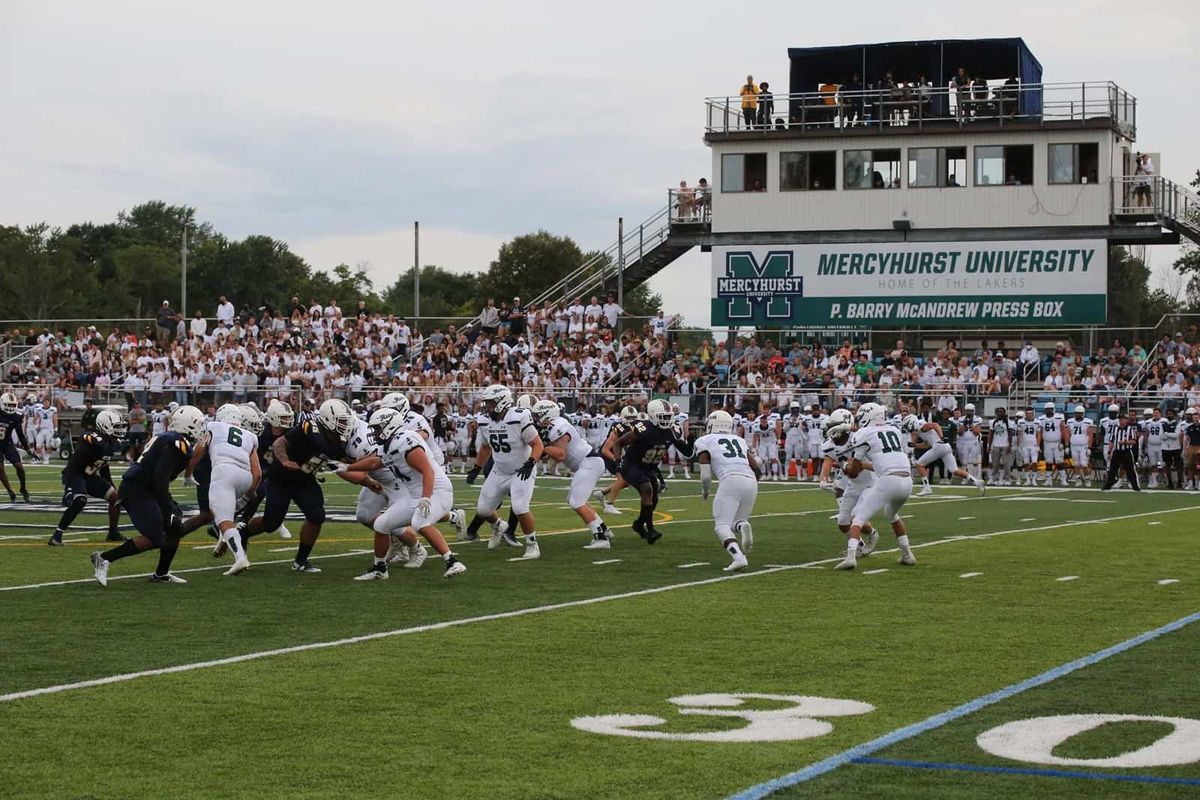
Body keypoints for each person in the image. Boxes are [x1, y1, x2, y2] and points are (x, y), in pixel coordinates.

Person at [340, 408, 466, 580]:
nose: (374, 433)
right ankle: (380, 569)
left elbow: (427, 471)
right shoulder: (388, 444)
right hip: (415, 495)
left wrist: (426, 497)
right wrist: (346, 467)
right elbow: (374, 462)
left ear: (388, 427)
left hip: (437, 491)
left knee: (419, 522)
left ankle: (452, 562)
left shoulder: (406, 441)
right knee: (381, 524)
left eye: (377, 429)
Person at [89, 405, 206, 587]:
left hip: (146, 487)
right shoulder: (177, 443)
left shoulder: (169, 438)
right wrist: (167, 505)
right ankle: (104, 558)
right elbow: (160, 478)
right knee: (156, 537)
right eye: (199, 423)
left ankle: (161, 573)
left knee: (174, 528)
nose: (201, 427)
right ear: (188, 425)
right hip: (137, 489)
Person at [239, 398, 356, 573]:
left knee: (317, 516)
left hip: (305, 480)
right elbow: (280, 443)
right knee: (271, 523)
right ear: (328, 418)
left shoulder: (340, 440)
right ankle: (243, 534)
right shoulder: (309, 428)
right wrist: (286, 460)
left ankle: (301, 560)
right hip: (281, 478)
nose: (345, 424)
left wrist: (366, 477)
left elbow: (342, 463)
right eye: (341, 420)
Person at [466, 384, 543, 560]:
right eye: (487, 403)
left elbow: (538, 444)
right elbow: (486, 447)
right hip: (499, 470)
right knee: (484, 509)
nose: (488, 407)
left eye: (491, 403)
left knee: (520, 507)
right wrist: (477, 468)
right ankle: (499, 526)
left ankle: (532, 545)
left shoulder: (519, 417)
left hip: (521, 470)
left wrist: (531, 462)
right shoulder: (485, 420)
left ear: (502, 402)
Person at [837, 403, 916, 571]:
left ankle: (851, 557)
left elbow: (854, 470)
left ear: (868, 417)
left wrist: (845, 467)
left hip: (888, 480)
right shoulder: (893, 430)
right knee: (892, 514)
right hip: (907, 481)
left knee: (857, 519)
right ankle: (907, 554)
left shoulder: (864, 433)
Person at [605, 399, 693, 545]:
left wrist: (691, 441)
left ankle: (639, 524)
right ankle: (650, 529)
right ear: (652, 415)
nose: (666, 420)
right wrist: (617, 461)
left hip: (648, 467)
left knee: (654, 499)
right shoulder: (644, 428)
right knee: (647, 489)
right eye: (662, 416)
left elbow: (687, 452)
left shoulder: (672, 430)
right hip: (632, 464)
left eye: (668, 416)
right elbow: (618, 443)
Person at [189, 404, 260, 576]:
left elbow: (199, 448)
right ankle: (225, 536)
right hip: (245, 478)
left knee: (222, 518)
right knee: (226, 510)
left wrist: (188, 471)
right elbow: (257, 472)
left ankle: (240, 558)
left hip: (224, 472)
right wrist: (251, 492)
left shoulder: (212, 426)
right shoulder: (249, 436)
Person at [532, 399, 612, 550]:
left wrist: (542, 447)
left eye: (538, 415)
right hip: (587, 463)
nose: (536, 419)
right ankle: (603, 529)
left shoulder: (558, 426)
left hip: (590, 462)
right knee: (574, 500)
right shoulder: (554, 425)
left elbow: (560, 454)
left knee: (577, 501)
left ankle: (601, 538)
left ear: (547, 414)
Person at [49, 408, 126, 546]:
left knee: (116, 499)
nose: (120, 429)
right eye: (117, 426)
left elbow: (104, 466)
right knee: (80, 500)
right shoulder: (92, 440)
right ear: (105, 425)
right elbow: (74, 463)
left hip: (90, 477)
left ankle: (113, 533)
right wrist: (69, 488)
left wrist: (112, 486)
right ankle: (57, 535)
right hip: (75, 473)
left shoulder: (113, 443)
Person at [693, 410, 757, 572]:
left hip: (730, 479)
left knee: (721, 525)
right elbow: (756, 467)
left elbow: (706, 475)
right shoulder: (739, 440)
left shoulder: (704, 440)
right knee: (735, 521)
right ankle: (743, 526)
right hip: (750, 480)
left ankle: (739, 558)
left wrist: (705, 490)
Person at [818, 408, 879, 557]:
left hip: (869, 479)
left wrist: (849, 427)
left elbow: (868, 430)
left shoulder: (858, 435)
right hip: (850, 478)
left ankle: (869, 535)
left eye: (836, 425)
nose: (832, 430)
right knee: (843, 521)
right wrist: (823, 479)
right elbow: (827, 461)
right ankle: (859, 544)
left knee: (856, 517)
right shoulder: (829, 444)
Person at [907, 414, 985, 495]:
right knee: (955, 471)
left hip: (939, 446)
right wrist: (915, 445)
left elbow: (935, 425)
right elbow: (928, 444)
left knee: (919, 464)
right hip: (945, 447)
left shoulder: (920, 425)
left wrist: (941, 436)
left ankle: (927, 488)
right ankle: (977, 482)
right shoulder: (919, 430)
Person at [0, 392, 33, 502]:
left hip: (7, 443)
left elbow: (20, 435)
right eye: (8, 405)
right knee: (0, 468)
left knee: (19, 466)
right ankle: (10, 492)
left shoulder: (16, 417)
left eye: (12, 405)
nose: (10, 408)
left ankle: (23, 489)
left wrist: (27, 449)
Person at [1102, 412, 1142, 491]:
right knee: (1113, 469)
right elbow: (1111, 441)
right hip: (1117, 451)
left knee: (1130, 469)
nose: (1121, 421)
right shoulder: (1115, 429)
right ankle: (1108, 485)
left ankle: (1135, 485)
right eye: (1120, 420)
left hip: (1126, 451)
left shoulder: (1130, 429)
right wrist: (1109, 452)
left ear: (1126, 420)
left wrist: (1125, 442)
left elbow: (1134, 441)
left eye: (1123, 420)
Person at [1037, 402, 1067, 486]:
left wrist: (1063, 442)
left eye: (1050, 409)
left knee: (1059, 461)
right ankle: (1048, 480)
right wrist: (1040, 444)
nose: (1048, 410)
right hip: (1047, 443)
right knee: (1048, 462)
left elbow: (1063, 429)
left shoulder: (1059, 417)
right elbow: (1040, 432)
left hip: (1057, 442)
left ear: (1053, 409)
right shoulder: (1041, 418)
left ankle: (1063, 480)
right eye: (1047, 409)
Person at [1066, 405, 1095, 485]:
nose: (1078, 415)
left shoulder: (1088, 422)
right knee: (1076, 464)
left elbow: (1090, 435)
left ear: (1083, 413)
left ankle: (1087, 479)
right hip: (1074, 445)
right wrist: (1067, 446)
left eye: (1080, 413)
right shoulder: (1070, 421)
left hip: (1084, 446)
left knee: (1084, 464)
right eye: (1077, 413)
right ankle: (1078, 479)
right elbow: (1067, 434)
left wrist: (1089, 447)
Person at [34, 397, 57, 465]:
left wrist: (56, 429)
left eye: (47, 402)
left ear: (50, 403)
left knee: (48, 445)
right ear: (43, 403)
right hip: (42, 429)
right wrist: (36, 426)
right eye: (45, 402)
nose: (46, 404)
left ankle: (47, 459)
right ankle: (37, 459)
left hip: (50, 429)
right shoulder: (39, 410)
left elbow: (55, 419)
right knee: (38, 444)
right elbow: (35, 419)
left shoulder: (53, 409)